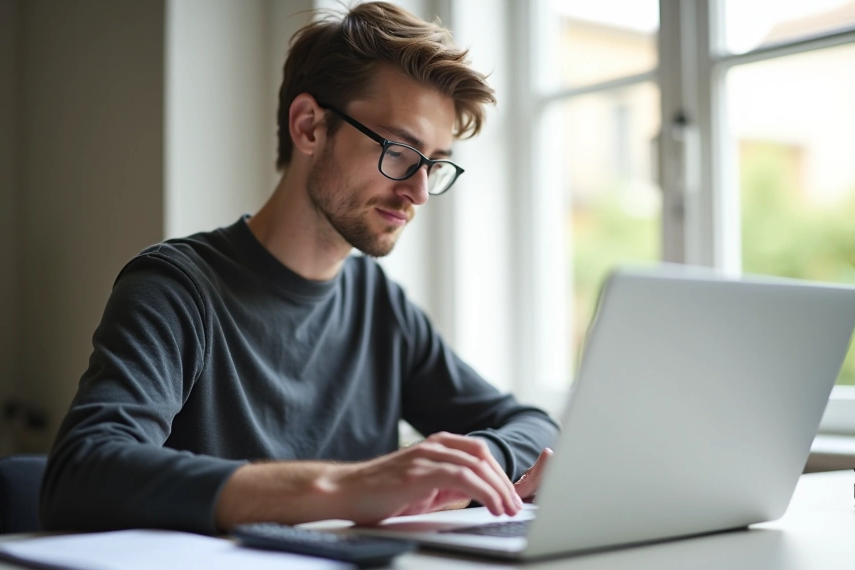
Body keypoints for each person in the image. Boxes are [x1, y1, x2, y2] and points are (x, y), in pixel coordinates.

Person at [40, 1, 558, 534]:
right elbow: (82, 472)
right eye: (400, 151)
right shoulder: (174, 288)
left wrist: (470, 463)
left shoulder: (379, 305)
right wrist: (350, 487)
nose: (419, 192)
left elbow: (538, 428)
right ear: (309, 127)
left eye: (435, 163)